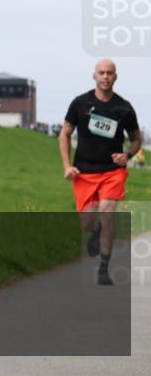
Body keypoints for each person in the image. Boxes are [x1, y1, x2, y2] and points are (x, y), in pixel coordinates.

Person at [59, 59, 142, 286]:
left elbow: (136, 138)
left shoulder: (123, 108)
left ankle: (104, 268)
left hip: (112, 171)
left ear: (116, 77)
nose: (105, 76)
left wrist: (129, 155)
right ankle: (95, 231)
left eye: (109, 73)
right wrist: (67, 165)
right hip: (84, 171)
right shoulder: (80, 103)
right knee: (86, 222)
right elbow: (65, 134)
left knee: (107, 212)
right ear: (94, 76)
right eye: (101, 73)